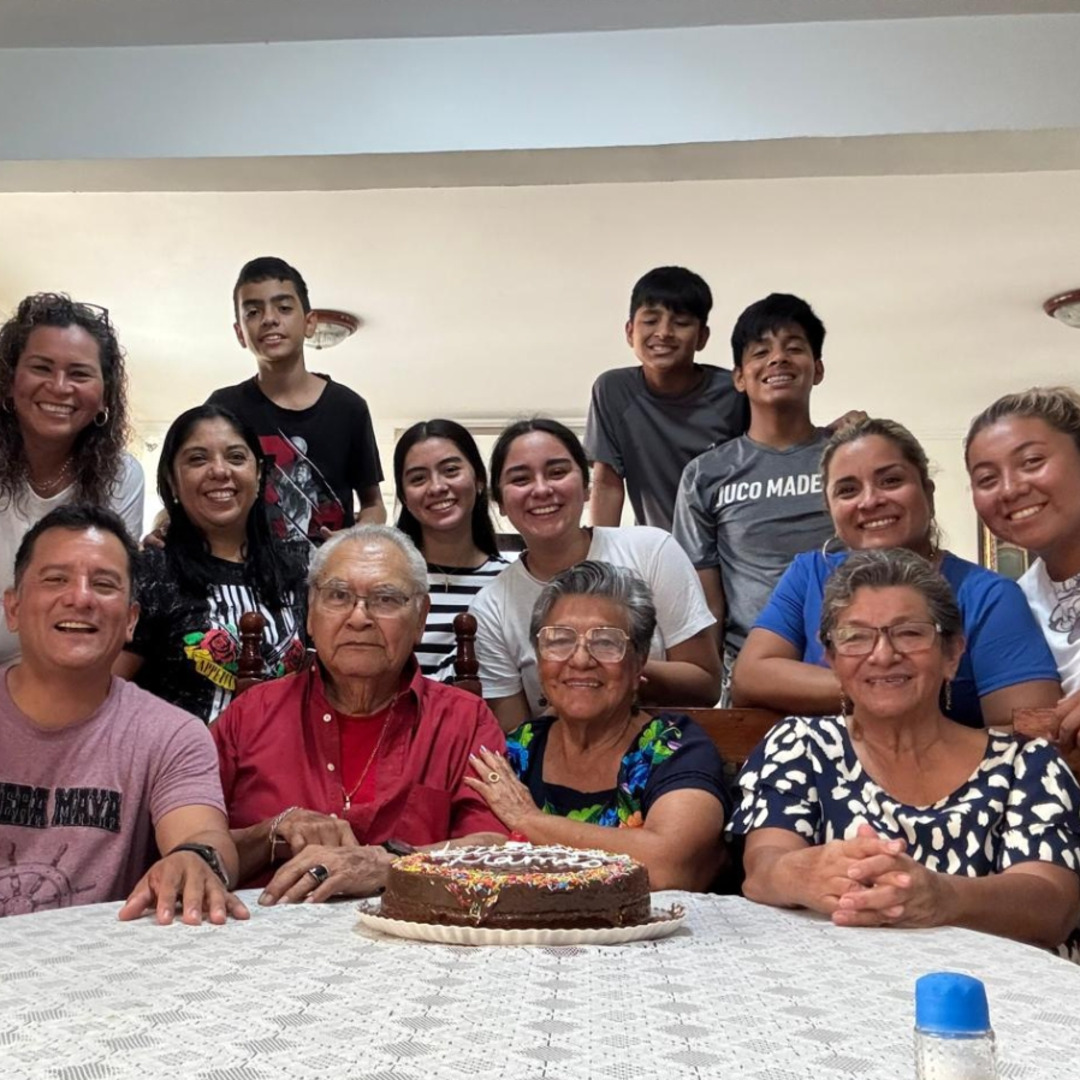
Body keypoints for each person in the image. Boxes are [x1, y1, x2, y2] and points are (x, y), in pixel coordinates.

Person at [729, 548, 1080, 952]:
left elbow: (1052, 905)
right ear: (832, 660)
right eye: (856, 637)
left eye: (910, 633)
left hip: (993, 985)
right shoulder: (800, 745)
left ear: (952, 654)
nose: (883, 655)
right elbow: (763, 869)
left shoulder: (1024, 764)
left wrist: (943, 897)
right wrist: (803, 873)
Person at [211, 524, 508, 905]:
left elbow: (495, 849)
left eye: (385, 599)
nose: (358, 618)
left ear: (421, 618)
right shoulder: (251, 715)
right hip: (260, 927)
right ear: (310, 615)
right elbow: (188, 846)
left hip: (411, 934)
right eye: (338, 596)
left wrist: (390, 865)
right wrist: (271, 833)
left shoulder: (464, 721)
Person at [0, 505, 246, 924]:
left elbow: (203, 835)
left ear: (132, 620)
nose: (80, 598)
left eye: (103, 584)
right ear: (13, 608)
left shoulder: (171, 734)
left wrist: (194, 859)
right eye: (55, 579)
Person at [733, 416, 1060, 727]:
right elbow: (750, 677)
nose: (870, 501)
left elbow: (1027, 727)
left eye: (890, 481)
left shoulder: (988, 595)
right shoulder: (809, 575)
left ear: (927, 492)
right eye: (848, 490)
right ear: (829, 509)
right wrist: (882, 685)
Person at [467, 561, 728, 891]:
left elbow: (666, 867)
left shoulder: (674, 748)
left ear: (639, 661)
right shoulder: (519, 750)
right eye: (559, 640)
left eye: (606, 642)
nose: (580, 660)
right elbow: (478, 849)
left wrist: (528, 820)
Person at [472, 418, 721, 731]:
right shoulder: (491, 607)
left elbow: (706, 684)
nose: (542, 489)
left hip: (667, 746)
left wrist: (613, 665)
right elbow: (515, 738)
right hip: (560, 754)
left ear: (587, 486)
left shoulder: (652, 550)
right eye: (521, 479)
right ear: (499, 501)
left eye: (557, 472)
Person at [672, 293, 836, 694]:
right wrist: (711, 690)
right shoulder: (706, 474)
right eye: (761, 352)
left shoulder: (848, 460)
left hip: (845, 662)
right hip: (752, 676)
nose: (778, 359)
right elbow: (705, 601)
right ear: (739, 378)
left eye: (793, 348)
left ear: (817, 369)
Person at [116, 406, 308, 724]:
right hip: (176, 755)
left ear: (259, 473)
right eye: (197, 459)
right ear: (172, 480)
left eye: (236, 457)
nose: (220, 471)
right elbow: (106, 695)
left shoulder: (298, 571)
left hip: (282, 754)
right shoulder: (149, 573)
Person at [0, 294, 144, 666]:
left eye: (79, 374)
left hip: (64, 677)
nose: (60, 386)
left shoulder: (122, 476)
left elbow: (107, 604)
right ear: (9, 381)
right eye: (41, 368)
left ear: (105, 397)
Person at [206, 256, 385, 544]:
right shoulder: (223, 407)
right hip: (247, 566)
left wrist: (354, 538)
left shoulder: (348, 407)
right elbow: (200, 490)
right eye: (253, 312)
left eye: (284, 308)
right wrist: (165, 522)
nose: (269, 319)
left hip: (329, 567)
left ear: (309, 323)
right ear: (240, 333)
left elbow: (374, 504)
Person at [585, 266, 749, 530]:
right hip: (655, 546)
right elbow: (607, 483)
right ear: (630, 332)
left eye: (681, 323)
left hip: (725, 542)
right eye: (651, 321)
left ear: (702, 337)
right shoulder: (613, 390)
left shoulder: (734, 392)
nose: (663, 332)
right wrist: (601, 552)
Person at [966, 386, 1080, 750]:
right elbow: (1036, 731)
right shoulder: (1015, 602)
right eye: (987, 479)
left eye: (1032, 461)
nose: (1010, 489)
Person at [393, 419, 506, 681]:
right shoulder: (385, 580)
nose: (437, 487)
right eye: (418, 478)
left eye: (451, 470)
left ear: (479, 480)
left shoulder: (510, 582)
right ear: (404, 497)